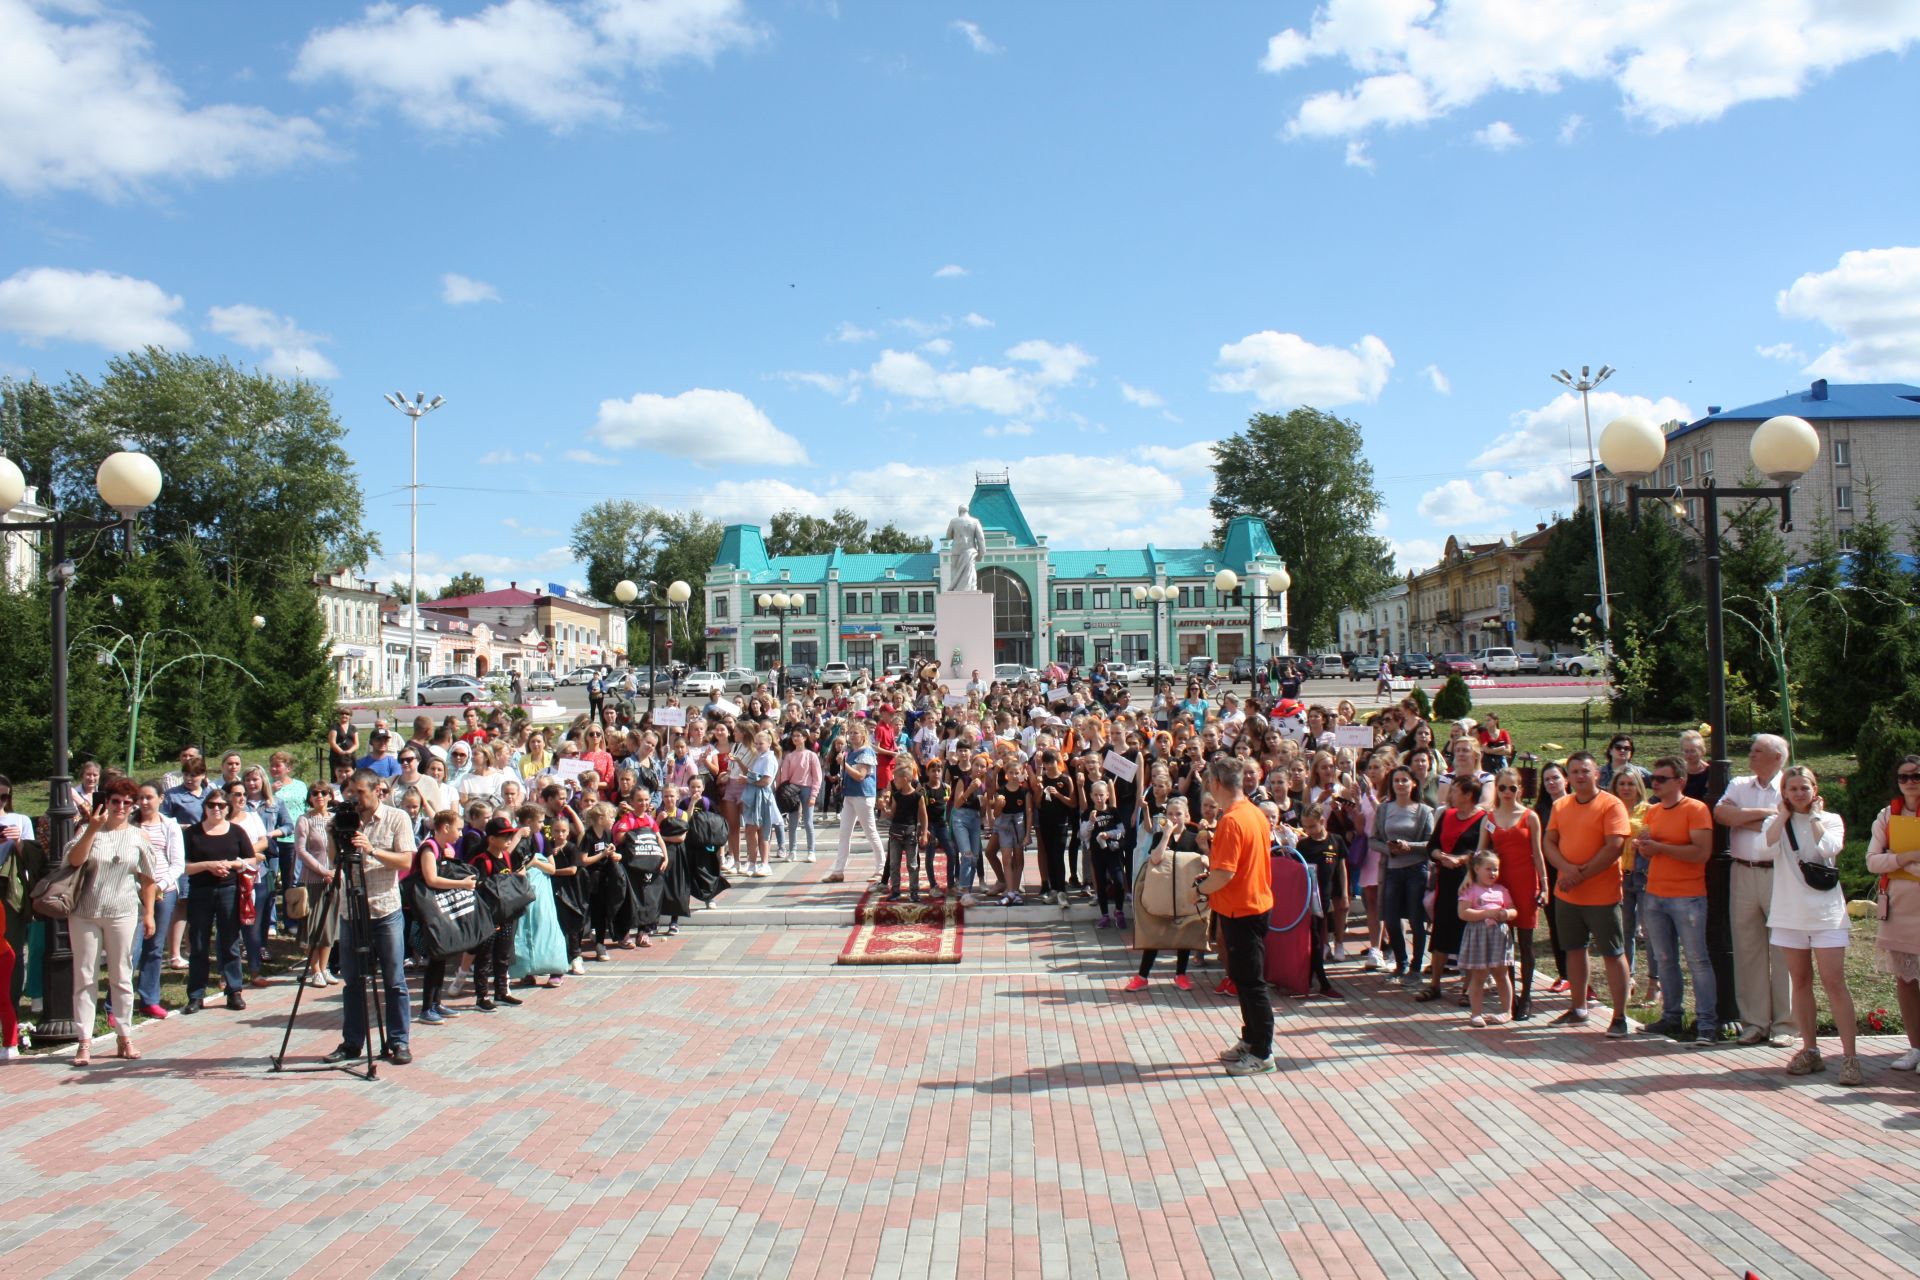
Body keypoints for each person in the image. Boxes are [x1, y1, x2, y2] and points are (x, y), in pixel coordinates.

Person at [1762, 765, 1859, 1084]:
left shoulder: (1830, 820)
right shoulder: (1777, 820)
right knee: (1800, 981)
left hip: (1826, 914)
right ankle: (1810, 1049)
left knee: (1834, 982)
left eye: (1805, 788)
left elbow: (1829, 849)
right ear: (1784, 792)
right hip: (1790, 913)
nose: (1799, 794)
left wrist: (1815, 817)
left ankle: (1850, 1057)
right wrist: (1782, 815)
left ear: (1815, 789)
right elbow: (1767, 844)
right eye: (1793, 789)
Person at [320, 768, 418, 1066]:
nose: (354, 798)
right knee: (352, 981)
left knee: (394, 980)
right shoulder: (346, 820)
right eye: (351, 791)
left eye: (360, 792)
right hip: (351, 910)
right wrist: (333, 834)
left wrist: (372, 849)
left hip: (385, 908)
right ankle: (352, 1043)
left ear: (379, 791)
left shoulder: (396, 818)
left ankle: (398, 1042)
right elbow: (335, 861)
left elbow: (406, 860)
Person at [64, 778, 159, 1064]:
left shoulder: (137, 836)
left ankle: (124, 1037)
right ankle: (84, 1041)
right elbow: (73, 861)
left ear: (133, 806)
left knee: (121, 975)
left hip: (123, 912)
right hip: (84, 912)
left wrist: (149, 913)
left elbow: (148, 878)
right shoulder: (88, 829)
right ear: (107, 801)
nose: (121, 807)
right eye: (116, 801)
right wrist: (92, 828)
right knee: (85, 976)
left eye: (127, 802)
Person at [1195, 755, 1277, 1076]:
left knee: (1252, 984)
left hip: (1242, 908)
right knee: (1243, 981)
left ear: (1216, 784)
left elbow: (1224, 874)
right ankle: (1251, 1039)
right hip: (1249, 904)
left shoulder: (1231, 821)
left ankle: (1262, 1052)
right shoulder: (1253, 813)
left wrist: (1202, 889)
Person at [1545, 751, 1635, 1036]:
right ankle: (1578, 1008)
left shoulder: (1611, 805)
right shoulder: (1561, 805)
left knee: (1613, 952)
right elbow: (1549, 842)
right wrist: (1566, 870)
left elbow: (1614, 846)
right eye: (1574, 772)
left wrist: (1578, 875)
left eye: (1585, 771)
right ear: (1568, 777)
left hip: (1602, 896)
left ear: (1597, 774)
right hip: (1567, 895)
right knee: (1573, 949)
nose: (1580, 776)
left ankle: (1620, 1016)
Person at [1714, 734, 1792, 1047]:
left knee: (1784, 951)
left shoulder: (1791, 786)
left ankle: (1786, 1025)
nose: (1751, 755)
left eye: (1758, 751)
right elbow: (1722, 815)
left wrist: (1743, 818)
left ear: (1777, 757)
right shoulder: (1739, 785)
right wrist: (1765, 816)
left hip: (1780, 876)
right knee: (1748, 951)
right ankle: (1754, 1023)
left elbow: (1787, 826)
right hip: (1742, 871)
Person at [1636, 755, 1718, 1044]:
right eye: (1653, 779)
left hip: (1688, 896)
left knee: (1697, 959)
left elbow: (1701, 853)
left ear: (1680, 781)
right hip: (1656, 894)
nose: (1654, 783)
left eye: (1661, 779)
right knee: (1664, 959)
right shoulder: (1653, 812)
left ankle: (1707, 1023)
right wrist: (1646, 848)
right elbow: (1650, 853)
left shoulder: (1695, 810)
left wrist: (1659, 847)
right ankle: (1671, 1016)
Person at [1476, 767, 1545, 1020]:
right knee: (1504, 944)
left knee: (1525, 944)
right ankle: (1510, 996)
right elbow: (1480, 854)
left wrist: (1544, 885)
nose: (1507, 792)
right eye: (1502, 787)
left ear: (1520, 790)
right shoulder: (1490, 818)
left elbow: (1538, 854)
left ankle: (1526, 997)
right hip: (1500, 885)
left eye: (1512, 788)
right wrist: (1470, 880)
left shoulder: (1530, 817)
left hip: (1525, 882)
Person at [182, 787, 257, 1014]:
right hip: (201, 891)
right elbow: (184, 866)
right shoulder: (193, 833)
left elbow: (251, 858)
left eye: (221, 806)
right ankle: (196, 995)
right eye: (212, 805)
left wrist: (231, 864)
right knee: (198, 943)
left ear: (228, 808)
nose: (216, 809)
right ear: (204, 807)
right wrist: (209, 866)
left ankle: (234, 991)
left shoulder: (236, 831)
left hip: (229, 890)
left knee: (230, 942)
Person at [1868, 755, 1920, 1072]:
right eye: (1904, 777)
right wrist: (1910, 856)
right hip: (1899, 906)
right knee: (1905, 979)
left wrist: (1897, 859)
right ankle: (1915, 1047)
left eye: (1917, 776)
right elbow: (1873, 861)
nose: (1911, 782)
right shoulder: (1888, 816)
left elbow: (1886, 859)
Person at [1126, 796, 1207, 991]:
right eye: (1170, 814)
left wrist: (1205, 854)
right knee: (1155, 935)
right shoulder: (1159, 836)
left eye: (1178, 814)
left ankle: (1181, 974)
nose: (1174, 818)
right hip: (1162, 894)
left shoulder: (1194, 836)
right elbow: (1155, 858)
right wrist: (1166, 835)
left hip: (1184, 894)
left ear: (1187, 816)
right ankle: (1142, 976)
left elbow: (1205, 859)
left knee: (1183, 935)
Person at [1374, 766, 1437, 985]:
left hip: (1416, 870)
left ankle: (1416, 966)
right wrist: (1389, 849)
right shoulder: (1383, 809)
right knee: (1391, 918)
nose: (1400, 784)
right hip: (1392, 869)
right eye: (1396, 781)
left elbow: (1431, 843)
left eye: (1404, 780)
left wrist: (1409, 846)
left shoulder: (1424, 811)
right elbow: (1374, 839)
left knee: (1415, 919)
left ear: (1413, 784)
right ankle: (1400, 963)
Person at [131, 782, 186, 1019]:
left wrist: (160, 886)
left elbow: (178, 864)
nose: (144, 802)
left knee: (154, 948)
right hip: (133, 892)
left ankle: (149, 999)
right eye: (140, 798)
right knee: (130, 950)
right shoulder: (130, 825)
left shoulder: (169, 826)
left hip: (164, 890)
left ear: (160, 799)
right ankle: (115, 1003)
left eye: (149, 797)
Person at [1457, 850, 1516, 1027]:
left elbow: (1514, 909)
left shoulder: (1501, 890)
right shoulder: (1470, 889)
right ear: (1476, 868)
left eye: (1496, 869)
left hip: (1498, 935)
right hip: (1478, 935)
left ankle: (1507, 1011)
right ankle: (1476, 1013)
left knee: (1501, 973)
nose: (1493, 873)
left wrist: (1507, 913)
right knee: (1479, 975)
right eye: (1488, 869)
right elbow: (1463, 913)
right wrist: (1486, 913)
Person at [292, 786, 340, 988]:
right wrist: (323, 870)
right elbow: (301, 850)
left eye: (324, 793)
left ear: (330, 796)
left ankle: (325, 966)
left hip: (334, 878)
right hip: (312, 879)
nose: (319, 796)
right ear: (310, 798)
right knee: (312, 927)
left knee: (329, 925)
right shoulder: (305, 819)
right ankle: (315, 969)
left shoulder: (335, 819)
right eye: (315, 793)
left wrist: (336, 872)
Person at [825, 723, 884, 884]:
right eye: (850, 733)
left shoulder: (867, 752)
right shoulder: (851, 752)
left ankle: (881, 869)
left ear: (863, 735)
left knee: (870, 832)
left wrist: (844, 764)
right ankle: (838, 870)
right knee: (844, 833)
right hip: (849, 794)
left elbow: (860, 775)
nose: (852, 736)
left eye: (855, 733)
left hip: (863, 795)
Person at [740, 729, 779, 878]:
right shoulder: (760, 757)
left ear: (769, 743)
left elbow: (766, 781)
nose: (757, 746)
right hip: (753, 796)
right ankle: (752, 862)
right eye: (756, 743)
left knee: (761, 829)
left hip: (762, 796)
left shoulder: (769, 758)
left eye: (760, 743)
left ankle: (764, 863)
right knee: (750, 829)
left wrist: (748, 780)